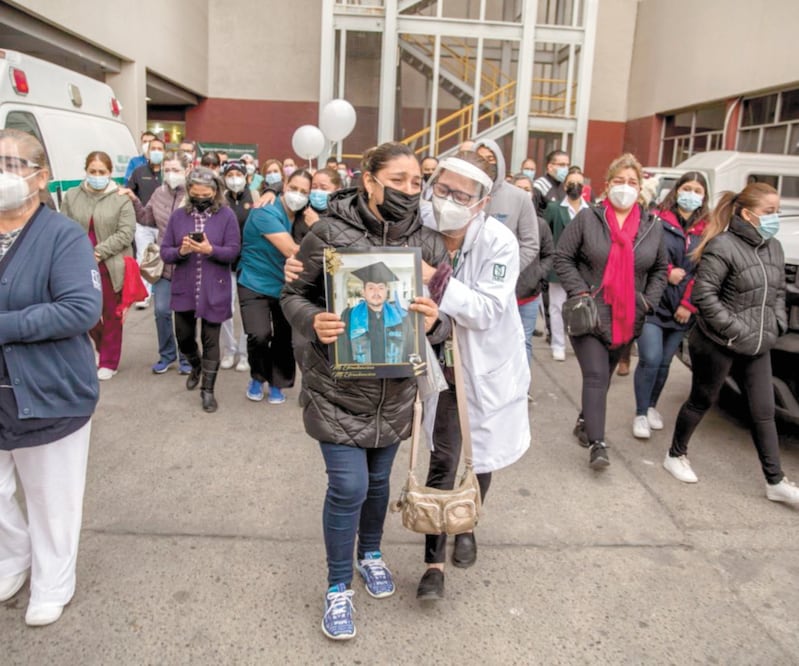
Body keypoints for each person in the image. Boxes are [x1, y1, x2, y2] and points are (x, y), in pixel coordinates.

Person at [281, 142, 446, 641]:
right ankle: (338, 587)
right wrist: (314, 320)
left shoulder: (430, 244)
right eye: (397, 180)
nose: (408, 190)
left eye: (416, 182)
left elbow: (441, 321)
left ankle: (369, 552)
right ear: (369, 181)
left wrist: (435, 323)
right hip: (337, 389)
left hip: (395, 393)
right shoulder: (329, 232)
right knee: (349, 487)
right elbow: (293, 294)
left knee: (377, 485)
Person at [416, 152, 530, 600]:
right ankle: (433, 563)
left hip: (483, 363)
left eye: (462, 196)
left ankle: (467, 522)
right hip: (439, 362)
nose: (448, 200)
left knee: (481, 456)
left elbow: (485, 310)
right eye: (442, 189)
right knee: (443, 460)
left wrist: (434, 278)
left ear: (482, 203)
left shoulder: (500, 242)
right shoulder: (419, 226)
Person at [0, 128, 102, 626]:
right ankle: (13, 556)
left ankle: (52, 581)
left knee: (51, 499)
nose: (2, 174)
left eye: (12, 164)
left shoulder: (62, 236)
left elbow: (80, 309)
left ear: (41, 177)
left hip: (49, 391)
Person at [665, 183, 799, 504]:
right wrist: (737, 330)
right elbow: (705, 297)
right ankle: (675, 455)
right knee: (701, 400)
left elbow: (778, 292)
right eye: (769, 212)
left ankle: (775, 481)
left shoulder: (774, 247)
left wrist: (776, 325)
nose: (775, 217)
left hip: (758, 343)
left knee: (763, 411)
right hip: (717, 342)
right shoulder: (722, 246)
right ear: (748, 214)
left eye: (777, 211)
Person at [553, 153, 667, 469]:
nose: (625, 187)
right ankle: (598, 444)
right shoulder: (588, 219)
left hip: (628, 315)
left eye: (632, 182)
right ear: (607, 184)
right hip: (589, 312)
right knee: (596, 374)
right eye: (619, 181)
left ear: (640, 188)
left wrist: (647, 301)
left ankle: (584, 419)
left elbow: (660, 268)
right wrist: (580, 291)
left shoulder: (652, 227)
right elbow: (562, 256)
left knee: (603, 377)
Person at [632, 172, 709, 439]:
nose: (691, 194)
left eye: (697, 190)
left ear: (704, 197)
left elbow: (706, 272)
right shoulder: (656, 219)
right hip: (654, 303)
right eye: (687, 188)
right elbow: (643, 255)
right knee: (651, 358)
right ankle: (640, 413)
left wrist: (688, 304)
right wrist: (667, 271)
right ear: (677, 191)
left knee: (665, 363)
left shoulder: (708, 230)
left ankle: (651, 406)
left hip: (683, 310)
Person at [160, 168, 241, 413]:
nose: (201, 199)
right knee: (184, 337)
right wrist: (181, 251)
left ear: (215, 192)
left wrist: (210, 250)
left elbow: (233, 251)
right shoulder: (178, 217)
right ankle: (195, 365)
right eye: (196, 194)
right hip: (185, 286)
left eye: (206, 195)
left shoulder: (227, 216)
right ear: (188, 191)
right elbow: (165, 252)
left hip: (214, 287)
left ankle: (208, 390)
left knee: (210, 339)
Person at [237, 168, 311, 404]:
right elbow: (292, 251)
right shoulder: (265, 211)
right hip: (254, 282)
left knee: (283, 337)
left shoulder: (305, 215)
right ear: (285, 186)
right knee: (258, 335)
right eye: (293, 188)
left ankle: (278, 382)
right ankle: (257, 377)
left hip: (286, 286)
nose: (297, 195)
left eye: (304, 192)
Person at [61, 151, 136, 381]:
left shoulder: (121, 198)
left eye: (101, 172)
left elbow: (126, 233)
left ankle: (109, 361)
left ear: (110, 173)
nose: (96, 176)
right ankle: (101, 347)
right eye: (92, 171)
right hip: (79, 263)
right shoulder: (72, 196)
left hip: (110, 265)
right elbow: (63, 227)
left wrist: (98, 252)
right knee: (86, 312)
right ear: (85, 171)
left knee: (111, 314)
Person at [121, 151, 193, 375]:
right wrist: (134, 200)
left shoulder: (194, 195)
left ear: (187, 171)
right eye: (167, 170)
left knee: (185, 314)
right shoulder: (158, 193)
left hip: (188, 263)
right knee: (161, 310)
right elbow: (146, 218)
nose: (171, 174)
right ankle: (167, 354)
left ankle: (187, 356)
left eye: (176, 170)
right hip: (164, 262)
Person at [543, 167, 589, 361]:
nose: (575, 187)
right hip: (559, 266)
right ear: (565, 185)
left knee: (583, 306)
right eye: (571, 183)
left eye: (579, 183)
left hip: (584, 267)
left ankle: (581, 345)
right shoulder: (555, 208)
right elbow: (545, 233)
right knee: (557, 306)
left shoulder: (590, 209)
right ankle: (558, 344)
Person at [511, 173, 555, 374]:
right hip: (504, 295)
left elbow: (549, 255)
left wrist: (537, 274)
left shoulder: (540, 225)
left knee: (524, 342)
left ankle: (523, 385)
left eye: (527, 189)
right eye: (518, 188)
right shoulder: (501, 221)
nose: (523, 193)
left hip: (529, 295)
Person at [335, 262, 416, 364]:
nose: (376, 292)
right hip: (361, 374)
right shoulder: (349, 316)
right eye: (371, 288)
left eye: (381, 288)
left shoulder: (402, 317)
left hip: (394, 373)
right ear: (363, 292)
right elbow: (343, 353)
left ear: (386, 292)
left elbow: (409, 351)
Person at [219, 161, 254, 372]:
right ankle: (229, 349)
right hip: (225, 264)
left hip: (249, 263)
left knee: (249, 311)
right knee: (225, 309)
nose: (234, 178)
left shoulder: (256, 197)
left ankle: (245, 352)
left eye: (238, 174)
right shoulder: (220, 200)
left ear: (246, 176)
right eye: (230, 174)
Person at [127, 136, 166, 308]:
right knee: (143, 257)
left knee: (166, 258)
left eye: (160, 149)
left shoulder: (168, 174)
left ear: (164, 152)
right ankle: (143, 294)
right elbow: (130, 193)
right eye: (153, 148)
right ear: (148, 152)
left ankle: (164, 292)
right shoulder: (139, 172)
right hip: (143, 224)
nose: (156, 152)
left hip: (164, 224)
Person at [295, 167, 343, 245]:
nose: (317, 191)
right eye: (314, 187)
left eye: (324, 188)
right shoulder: (304, 210)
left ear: (337, 190)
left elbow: (340, 248)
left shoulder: (344, 215)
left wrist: (317, 226)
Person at [533, 149, 570, 214]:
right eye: (562, 165)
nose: (566, 168)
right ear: (550, 167)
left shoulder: (566, 187)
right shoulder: (539, 186)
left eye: (567, 165)